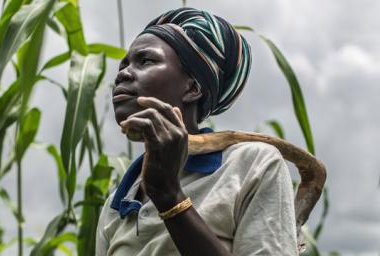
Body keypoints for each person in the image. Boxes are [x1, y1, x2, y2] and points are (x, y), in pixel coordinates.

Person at [96, 7, 298, 255]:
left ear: (193, 88)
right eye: (123, 66)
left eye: (145, 61)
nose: (123, 74)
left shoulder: (251, 165)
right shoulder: (118, 201)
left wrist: (169, 196)